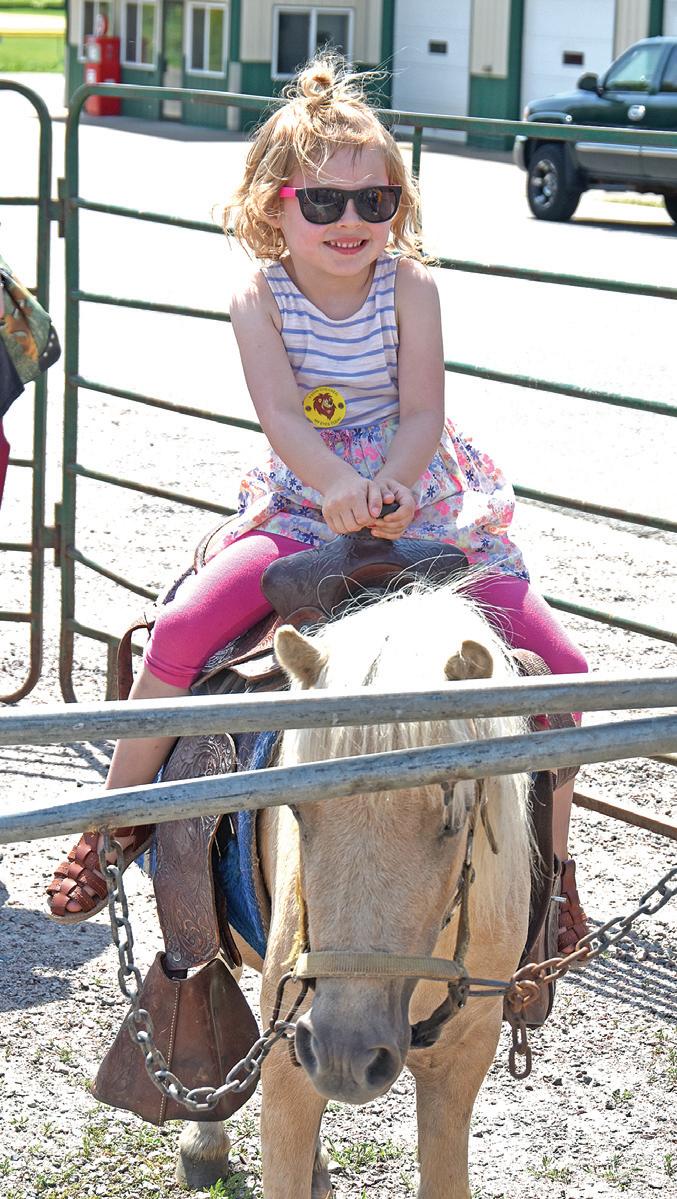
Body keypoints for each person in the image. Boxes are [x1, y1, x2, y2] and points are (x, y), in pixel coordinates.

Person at [46, 56, 588, 952]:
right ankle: (116, 820)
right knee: (183, 630)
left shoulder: (411, 287)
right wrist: (337, 486)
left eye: (374, 202)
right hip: (306, 495)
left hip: (424, 495)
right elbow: (284, 417)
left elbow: (422, 410)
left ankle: (553, 870)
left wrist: (396, 484)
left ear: (397, 208)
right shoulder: (259, 296)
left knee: (563, 672)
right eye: (324, 201)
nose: (350, 222)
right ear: (275, 206)